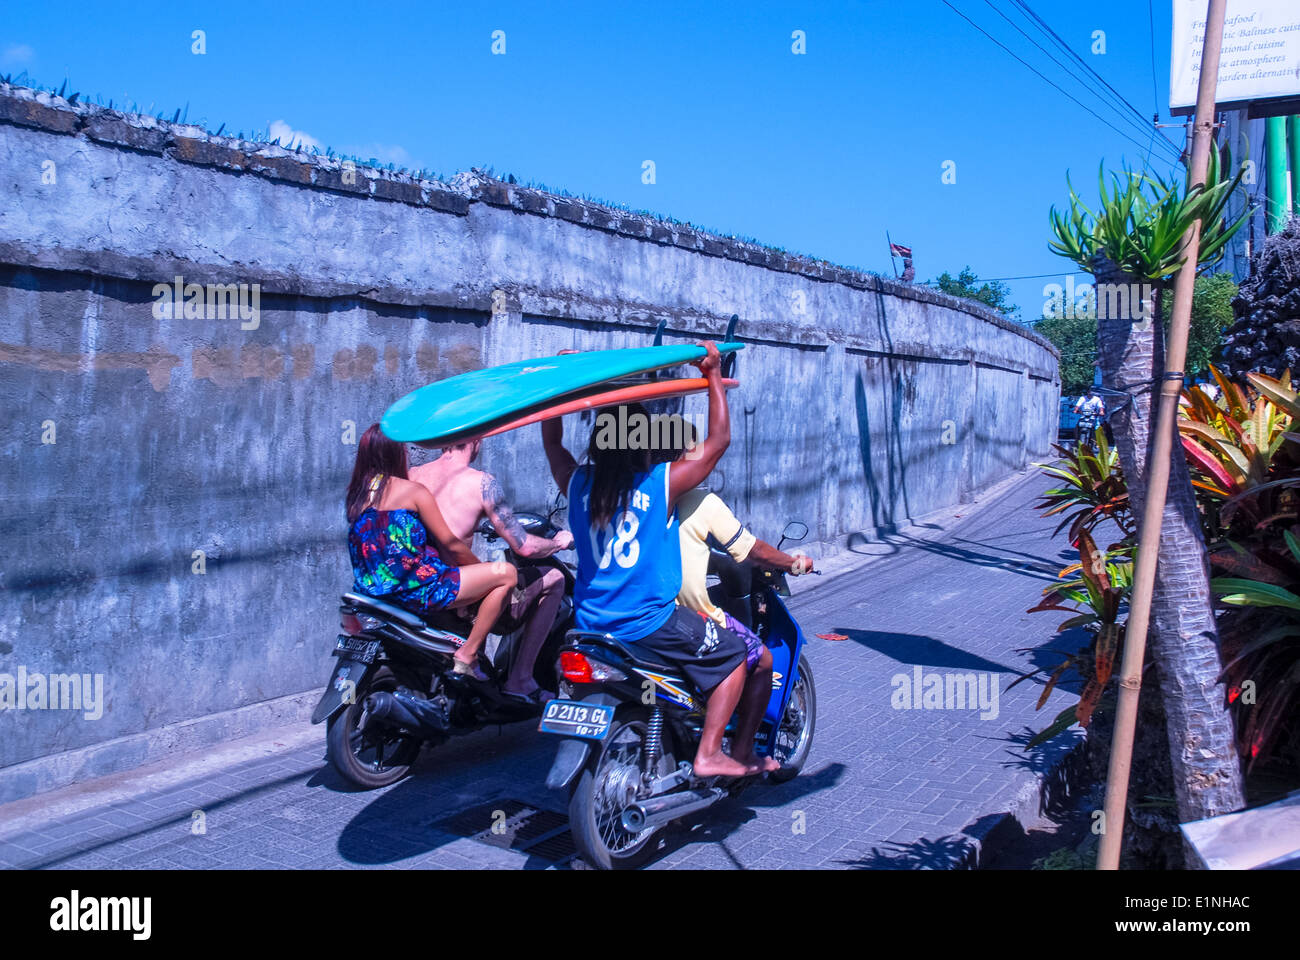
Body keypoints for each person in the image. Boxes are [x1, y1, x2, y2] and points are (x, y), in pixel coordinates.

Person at [541, 342, 772, 778]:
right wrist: (713, 376)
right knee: (739, 655)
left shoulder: (576, 484)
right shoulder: (660, 483)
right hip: (649, 623)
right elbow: (718, 440)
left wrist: (561, 379)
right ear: (642, 444)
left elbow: (552, 441)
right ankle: (710, 754)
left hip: (590, 625)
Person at [651, 417, 813, 772]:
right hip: (687, 619)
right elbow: (752, 550)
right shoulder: (702, 501)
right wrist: (793, 563)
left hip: (641, 614)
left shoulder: (638, 497)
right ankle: (739, 752)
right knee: (761, 658)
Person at [345, 424, 516, 681]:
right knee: (507, 574)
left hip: (369, 594)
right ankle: (467, 654)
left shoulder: (356, 498)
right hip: (417, 590)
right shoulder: (412, 491)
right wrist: (475, 569)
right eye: (404, 449)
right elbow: (450, 543)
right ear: (395, 453)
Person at [410, 439, 574, 703]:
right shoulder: (481, 483)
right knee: (553, 578)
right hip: (454, 590)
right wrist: (559, 542)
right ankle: (520, 679)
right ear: (475, 440)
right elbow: (525, 548)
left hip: (418, 582)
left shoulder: (414, 475)